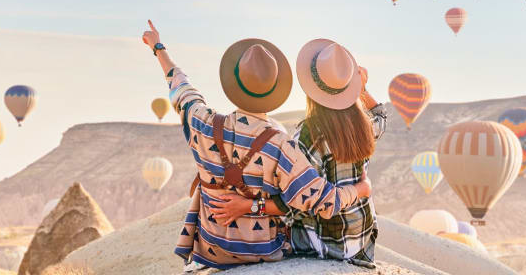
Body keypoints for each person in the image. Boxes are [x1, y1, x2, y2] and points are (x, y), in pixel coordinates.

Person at [141, 22, 372, 270]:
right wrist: (362, 189)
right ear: (275, 89)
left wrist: (158, 48)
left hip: (212, 247)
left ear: (233, 82)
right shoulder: (281, 145)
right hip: (263, 251)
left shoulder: (202, 121)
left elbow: (181, 86)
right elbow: (326, 203)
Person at [210, 39, 387, 268]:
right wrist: (362, 90)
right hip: (361, 238)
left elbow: (291, 204)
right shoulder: (364, 124)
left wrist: (247, 207)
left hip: (323, 243)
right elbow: (381, 116)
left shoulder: (308, 136)